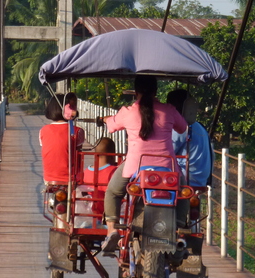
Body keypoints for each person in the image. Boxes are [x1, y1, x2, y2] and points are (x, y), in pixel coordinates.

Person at [99, 75, 188, 254]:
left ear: (136, 91)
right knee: (184, 191)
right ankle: (179, 230)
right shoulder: (168, 110)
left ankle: (112, 230)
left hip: (135, 168)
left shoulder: (128, 111)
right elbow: (183, 127)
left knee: (113, 192)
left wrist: (106, 119)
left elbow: (111, 126)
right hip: (168, 168)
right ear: (156, 90)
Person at [166, 89, 214, 188]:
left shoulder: (180, 128)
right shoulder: (200, 126)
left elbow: (165, 153)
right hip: (201, 180)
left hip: (186, 179)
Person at [39, 94, 85, 185]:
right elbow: (78, 155)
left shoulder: (43, 131)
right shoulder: (77, 131)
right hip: (71, 179)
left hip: (49, 178)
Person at [82, 137, 118, 217]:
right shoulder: (115, 171)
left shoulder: (86, 172)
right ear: (113, 154)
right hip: (108, 213)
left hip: (90, 213)